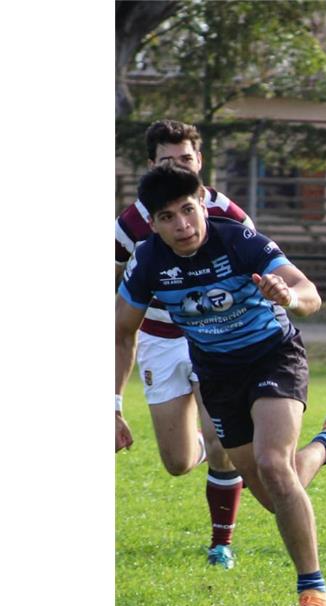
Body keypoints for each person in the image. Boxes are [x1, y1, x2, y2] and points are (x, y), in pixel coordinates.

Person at [116, 163, 326, 606]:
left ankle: (312, 589)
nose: (183, 225)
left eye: (188, 210)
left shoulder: (238, 241)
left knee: (274, 465)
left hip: (273, 357)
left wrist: (288, 297)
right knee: (274, 495)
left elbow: (309, 292)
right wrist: (112, 404)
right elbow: (119, 331)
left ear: (203, 205)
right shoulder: (150, 260)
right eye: (168, 217)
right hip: (217, 376)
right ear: (152, 224)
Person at [114, 119, 256, 569]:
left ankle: (221, 544)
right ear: (151, 165)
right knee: (177, 462)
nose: (177, 168)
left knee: (222, 441)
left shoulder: (227, 215)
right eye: (166, 161)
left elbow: (257, 273)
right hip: (159, 339)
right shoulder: (132, 222)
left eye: (186, 160)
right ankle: (204, 436)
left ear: (201, 162)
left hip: (216, 335)